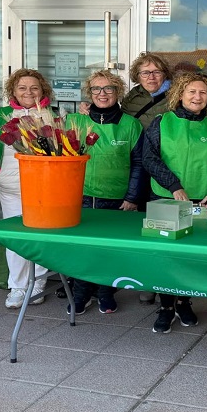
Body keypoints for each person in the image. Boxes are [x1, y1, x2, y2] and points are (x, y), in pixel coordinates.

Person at [143, 72, 207, 334]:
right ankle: (165, 307)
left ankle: (184, 302)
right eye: (192, 92)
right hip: (166, 198)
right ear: (180, 94)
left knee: (192, 258)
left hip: (203, 202)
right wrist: (174, 186)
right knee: (166, 257)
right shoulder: (163, 122)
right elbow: (149, 158)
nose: (197, 97)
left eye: (203, 93)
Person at [64, 70, 144, 316]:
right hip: (82, 197)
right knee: (82, 248)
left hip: (117, 200)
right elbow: (63, 161)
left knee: (109, 250)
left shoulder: (131, 125)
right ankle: (80, 293)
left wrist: (131, 197)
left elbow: (140, 163)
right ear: (90, 94)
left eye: (109, 88)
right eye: (97, 89)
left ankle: (106, 292)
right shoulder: (75, 122)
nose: (102, 93)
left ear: (117, 92)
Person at [0, 68, 55, 309]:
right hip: (11, 185)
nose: (28, 92)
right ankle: (17, 285)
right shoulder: (1, 114)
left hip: (44, 187)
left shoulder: (53, 114)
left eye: (34, 87)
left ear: (42, 90)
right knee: (15, 237)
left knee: (40, 235)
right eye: (22, 87)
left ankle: (37, 282)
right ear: (13, 90)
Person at [120, 51, 174, 306]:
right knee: (141, 227)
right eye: (145, 72)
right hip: (138, 167)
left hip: (167, 167)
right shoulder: (132, 98)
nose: (151, 77)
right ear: (137, 76)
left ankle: (164, 283)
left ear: (164, 73)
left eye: (156, 72)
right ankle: (146, 280)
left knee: (163, 229)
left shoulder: (177, 94)